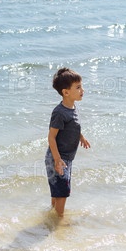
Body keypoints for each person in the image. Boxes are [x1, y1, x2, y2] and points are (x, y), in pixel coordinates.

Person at [46, 67, 90, 217]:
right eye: (78, 87)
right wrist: (57, 159)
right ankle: (59, 219)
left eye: (81, 86)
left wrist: (81, 137)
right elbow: (51, 137)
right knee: (62, 192)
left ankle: (52, 216)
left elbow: (73, 127)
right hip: (58, 158)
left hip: (66, 158)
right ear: (66, 92)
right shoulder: (60, 113)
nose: (82, 90)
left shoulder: (73, 107)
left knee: (58, 190)